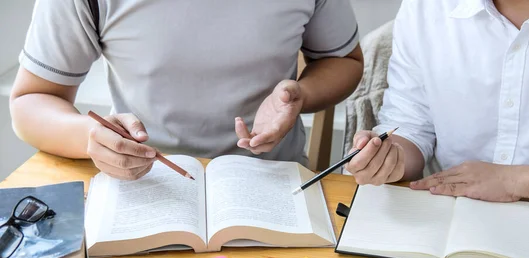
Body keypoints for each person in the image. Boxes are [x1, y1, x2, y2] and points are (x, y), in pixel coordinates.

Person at [10, 0, 363, 180]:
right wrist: (90, 136)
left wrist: (301, 95)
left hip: (272, 182)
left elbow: (345, 61)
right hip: (142, 184)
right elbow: (31, 101)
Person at [346, 0, 529, 217]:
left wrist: (515, 181)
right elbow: (411, 126)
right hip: (448, 223)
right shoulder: (427, 8)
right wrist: (390, 159)